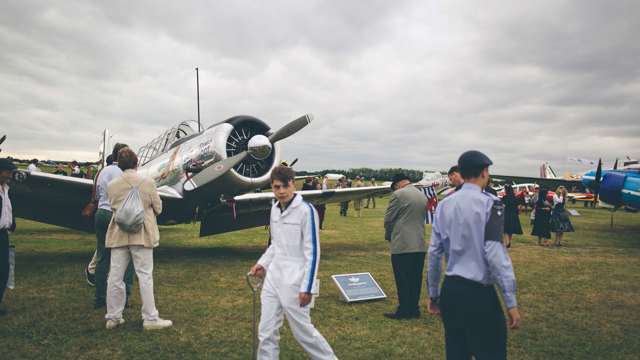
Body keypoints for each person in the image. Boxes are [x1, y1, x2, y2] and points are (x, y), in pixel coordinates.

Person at [427, 150, 521, 360]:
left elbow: (434, 253)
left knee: (456, 352)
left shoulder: (444, 205)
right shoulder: (492, 204)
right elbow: (495, 253)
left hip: (451, 290)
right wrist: (510, 302)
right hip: (479, 294)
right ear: (484, 173)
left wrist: (433, 294)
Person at [249, 165, 337, 359]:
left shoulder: (306, 211)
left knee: (303, 332)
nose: (280, 191)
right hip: (273, 278)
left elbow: (312, 252)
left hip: (296, 280)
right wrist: (262, 263)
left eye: (284, 186)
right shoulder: (274, 209)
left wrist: (308, 287)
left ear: (292, 185)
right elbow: (275, 245)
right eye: (276, 187)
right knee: (266, 330)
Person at [104, 147, 172, 330]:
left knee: (115, 277)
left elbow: (113, 207)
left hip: (119, 234)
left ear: (119, 165)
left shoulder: (112, 185)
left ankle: (113, 317)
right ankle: (150, 318)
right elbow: (158, 208)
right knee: (145, 276)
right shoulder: (148, 182)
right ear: (136, 163)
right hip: (142, 235)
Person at [94, 143, 134, 309]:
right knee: (127, 257)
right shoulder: (123, 173)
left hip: (101, 213)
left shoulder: (103, 171)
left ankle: (100, 298)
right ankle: (124, 298)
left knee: (102, 257)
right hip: (116, 214)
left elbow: (96, 193)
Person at [383, 173, 427, 320]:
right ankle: (414, 308)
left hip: (402, 243)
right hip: (419, 243)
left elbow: (389, 219)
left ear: (397, 184)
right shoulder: (421, 195)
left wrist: (388, 235)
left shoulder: (398, 195)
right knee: (415, 278)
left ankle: (404, 310)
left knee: (402, 279)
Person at [0, 158, 17, 316]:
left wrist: (12, 223)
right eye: (7, 172)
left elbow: (7, 209)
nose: (10, 176)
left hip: (3, 235)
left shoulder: (6, 189)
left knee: (4, 270)